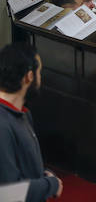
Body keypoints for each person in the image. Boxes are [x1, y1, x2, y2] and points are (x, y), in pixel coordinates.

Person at [0, 43, 63, 201]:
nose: (40, 78)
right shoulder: (2, 126)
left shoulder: (22, 114)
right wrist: (51, 185)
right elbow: (8, 194)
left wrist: (44, 176)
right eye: (39, 72)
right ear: (29, 76)